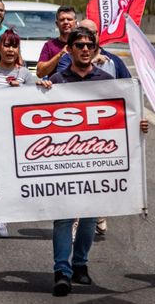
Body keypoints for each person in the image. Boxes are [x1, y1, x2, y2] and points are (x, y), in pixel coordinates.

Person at [44, 26, 149, 296]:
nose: (85, 49)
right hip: (64, 162)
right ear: (70, 50)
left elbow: (124, 116)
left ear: (96, 49)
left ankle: (80, 264)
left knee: (89, 218)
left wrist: (140, 124)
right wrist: (41, 91)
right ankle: (62, 272)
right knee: (64, 218)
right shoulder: (58, 80)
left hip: (96, 162)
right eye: (79, 45)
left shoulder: (106, 81)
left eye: (89, 45)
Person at [0, 30, 48, 241]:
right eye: (6, 45)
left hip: (12, 137)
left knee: (5, 179)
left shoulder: (24, 74)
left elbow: (33, 106)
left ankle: (1, 219)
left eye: (14, 46)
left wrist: (23, 90)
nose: (10, 50)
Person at [57, 19, 131, 80]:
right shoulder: (66, 59)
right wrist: (90, 63)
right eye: (84, 32)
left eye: (92, 33)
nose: (89, 37)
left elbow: (129, 87)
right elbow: (63, 83)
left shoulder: (114, 61)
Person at [36, 6, 77, 79]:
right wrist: (60, 55)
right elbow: (39, 73)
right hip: (55, 89)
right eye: (62, 20)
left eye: (69, 19)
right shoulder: (49, 45)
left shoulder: (83, 45)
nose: (66, 22)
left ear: (76, 23)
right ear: (57, 24)